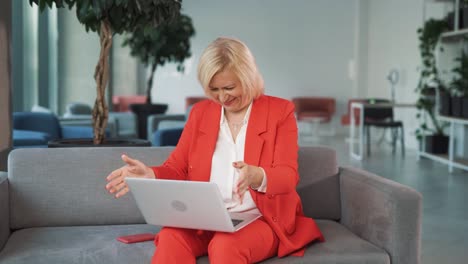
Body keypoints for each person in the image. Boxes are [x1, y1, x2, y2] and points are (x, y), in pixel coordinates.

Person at [105, 37, 324, 263]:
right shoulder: (200, 113)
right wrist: (150, 174)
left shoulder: (280, 111)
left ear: (248, 78)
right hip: (205, 219)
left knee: (225, 246)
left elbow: (288, 176)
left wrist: (257, 175)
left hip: (260, 219)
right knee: (170, 237)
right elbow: (177, 168)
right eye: (214, 89)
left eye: (229, 87)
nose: (222, 97)